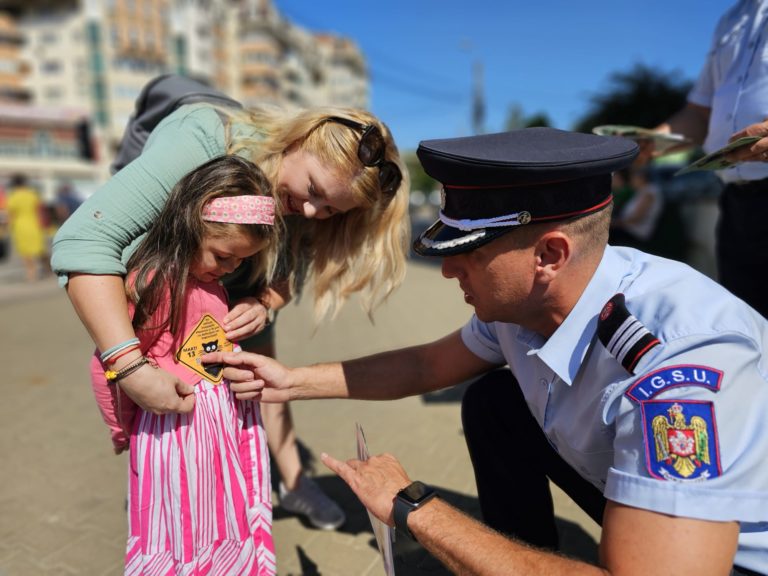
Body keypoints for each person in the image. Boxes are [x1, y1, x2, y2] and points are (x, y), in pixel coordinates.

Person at [206, 128, 768, 576]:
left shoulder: (681, 369)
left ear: (549, 254)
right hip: (643, 499)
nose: (448, 268)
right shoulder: (527, 306)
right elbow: (426, 365)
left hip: (729, 556)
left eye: (468, 251)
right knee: (495, 400)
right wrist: (289, 380)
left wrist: (412, 508)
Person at [51, 100, 409, 530]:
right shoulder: (199, 141)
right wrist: (129, 366)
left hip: (238, 298)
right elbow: (85, 240)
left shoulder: (302, 206)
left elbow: (289, 272)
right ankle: (178, 495)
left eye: (331, 210)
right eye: (313, 190)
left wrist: (264, 304)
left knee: (263, 383)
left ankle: (290, 482)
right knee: (170, 395)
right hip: (168, 291)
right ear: (297, 139)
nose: (312, 212)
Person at [90, 155, 278, 572]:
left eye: (241, 261)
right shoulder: (156, 284)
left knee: (219, 518)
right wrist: (121, 430)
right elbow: (108, 366)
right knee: (182, 527)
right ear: (192, 223)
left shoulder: (205, 280)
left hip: (217, 430)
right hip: (177, 435)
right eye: (224, 256)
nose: (230, 269)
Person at [650, 0, 768, 317]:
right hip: (736, 202)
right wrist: (651, 142)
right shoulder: (732, 18)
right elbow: (699, 114)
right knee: (750, 330)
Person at [6, 174, 49, 281]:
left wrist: (8, 227)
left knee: (25, 251)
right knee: (40, 249)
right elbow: (40, 210)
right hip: (34, 224)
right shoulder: (33, 194)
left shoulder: (13, 196)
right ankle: (48, 267)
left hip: (20, 226)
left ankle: (31, 273)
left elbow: (11, 214)